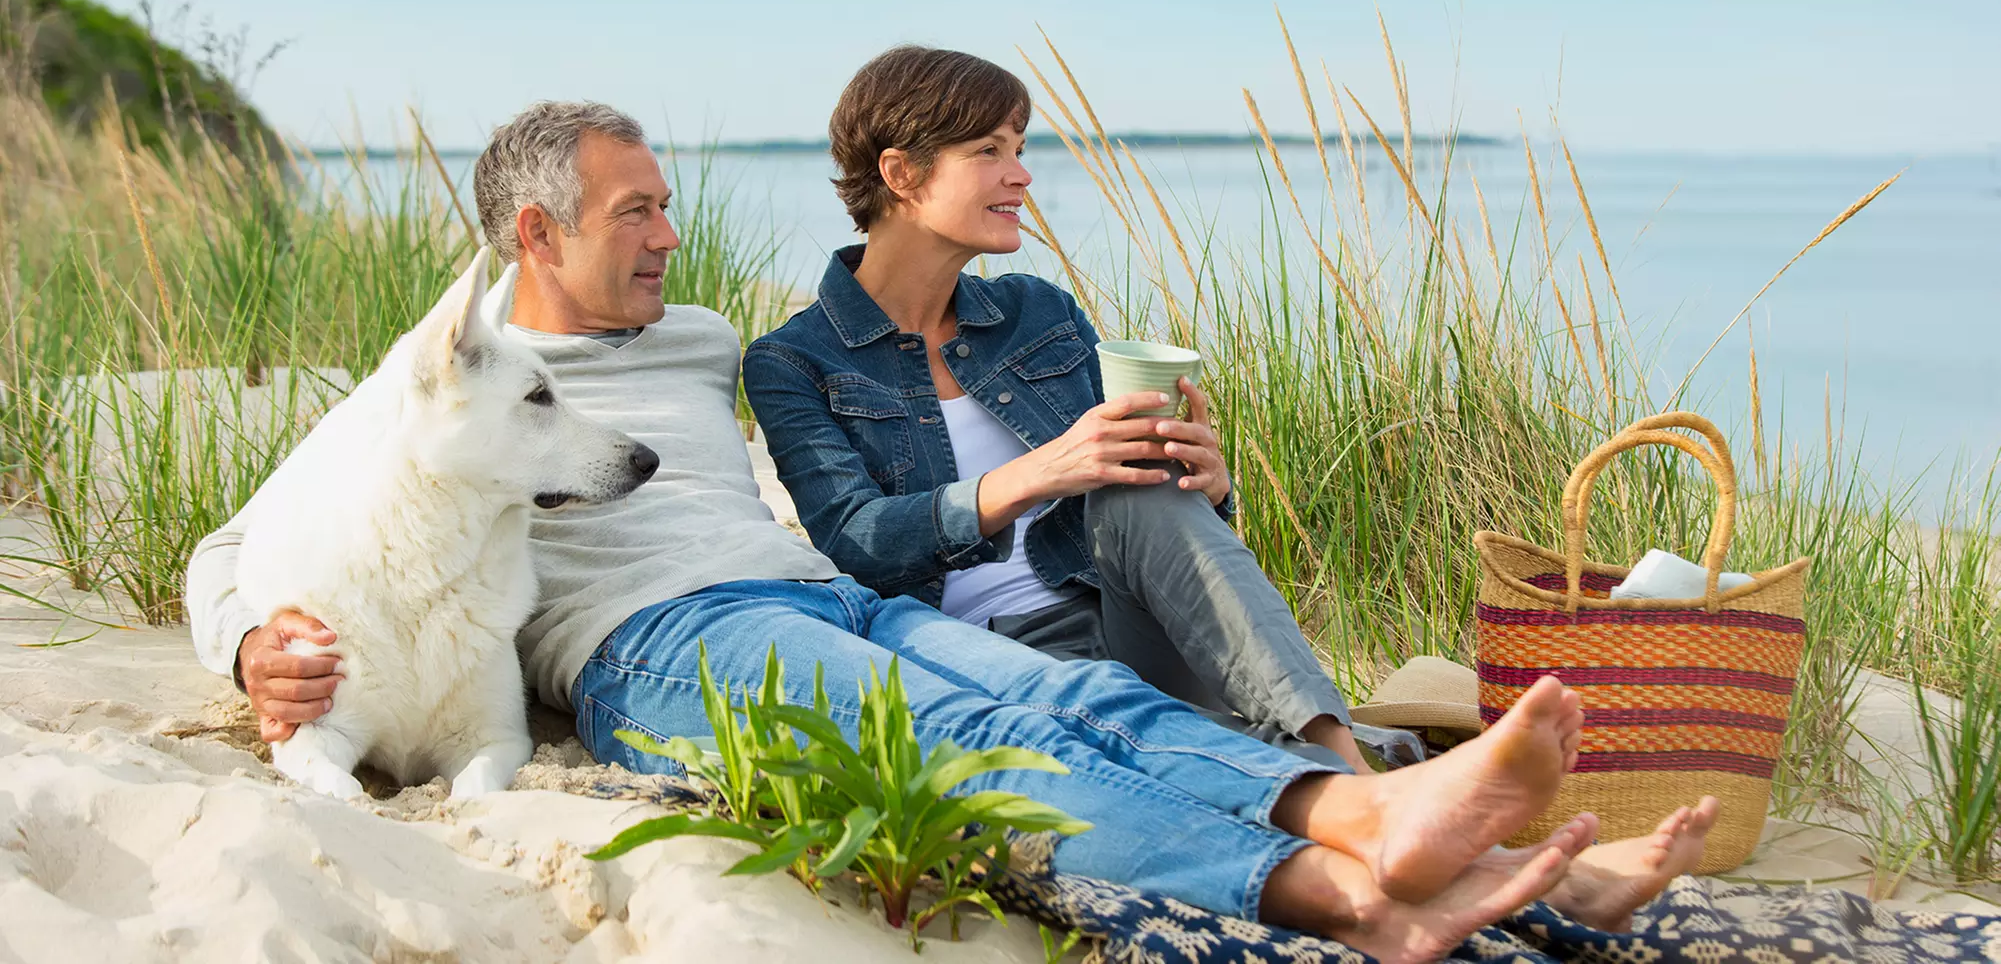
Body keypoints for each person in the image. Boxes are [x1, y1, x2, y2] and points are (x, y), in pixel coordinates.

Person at [186, 100, 1715, 960]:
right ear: (534, 234)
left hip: (811, 593)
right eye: (635, 211)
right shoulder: (440, 384)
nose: (668, 234)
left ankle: (1377, 818)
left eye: (664, 207)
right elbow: (231, 551)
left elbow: (866, 390)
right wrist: (263, 641)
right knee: (986, 755)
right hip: (659, 652)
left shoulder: (711, 338)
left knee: (1075, 697)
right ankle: (1349, 889)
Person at [743, 45, 1379, 771]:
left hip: (1126, 614)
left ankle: (1346, 760)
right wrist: (1041, 472)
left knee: (1141, 494)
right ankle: (1321, 774)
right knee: (1206, 756)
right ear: (900, 174)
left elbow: (1140, 515)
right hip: (988, 655)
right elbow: (855, 540)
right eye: (988, 150)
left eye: (1018, 147)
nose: (1021, 174)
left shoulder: (1035, 311)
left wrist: (1208, 488)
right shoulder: (794, 360)